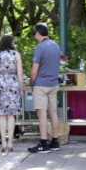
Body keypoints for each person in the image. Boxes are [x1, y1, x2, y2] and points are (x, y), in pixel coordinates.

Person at [28, 23, 62, 154]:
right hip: (54, 84)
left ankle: (43, 143)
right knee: (53, 112)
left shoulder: (39, 47)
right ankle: (55, 141)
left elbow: (34, 70)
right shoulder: (56, 46)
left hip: (41, 84)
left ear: (38, 33)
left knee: (42, 114)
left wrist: (32, 82)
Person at [0, 35, 24, 153]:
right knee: (11, 115)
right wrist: (21, 88)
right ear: (12, 42)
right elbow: (20, 73)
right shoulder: (16, 54)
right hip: (13, 84)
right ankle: (11, 143)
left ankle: (3, 143)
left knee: (2, 115)